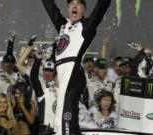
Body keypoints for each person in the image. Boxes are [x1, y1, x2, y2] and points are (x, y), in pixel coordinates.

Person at [42, 0, 112, 134]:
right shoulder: (63, 25)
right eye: (71, 3)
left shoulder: (86, 26)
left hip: (73, 73)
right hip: (64, 75)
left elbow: (100, 8)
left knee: (65, 116)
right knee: (64, 115)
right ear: (67, 8)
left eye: (78, 4)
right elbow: (50, 7)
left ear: (84, 10)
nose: (74, 6)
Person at [0, 36, 25, 110]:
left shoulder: (19, 76)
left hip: (14, 109)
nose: (8, 64)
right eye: (6, 62)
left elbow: (21, 95)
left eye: (11, 62)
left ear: (14, 64)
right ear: (2, 63)